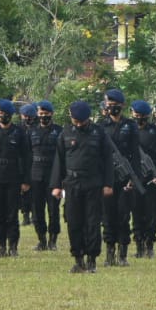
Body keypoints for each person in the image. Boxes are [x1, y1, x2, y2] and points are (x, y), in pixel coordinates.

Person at [51, 100, 113, 273]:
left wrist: (108, 184)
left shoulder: (99, 133)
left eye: (81, 121)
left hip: (93, 183)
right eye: (75, 120)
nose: (78, 124)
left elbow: (108, 160)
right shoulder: (65, 133)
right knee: (73, 222)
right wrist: (56, 185)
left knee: (92, 222)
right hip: (72, 184)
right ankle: (78, 259)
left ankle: (92, 259)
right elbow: (59, 160)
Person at [0, 99, 31, 257]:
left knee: (12, 215)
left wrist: (25, 180)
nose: (1, 115)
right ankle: (0, 246)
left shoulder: (19, 133)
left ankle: (13, 246)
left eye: (3, 113)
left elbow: (26, 157)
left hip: (13, 177)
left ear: (10, 115)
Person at [99, 89, 139, 267]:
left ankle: (123, 253)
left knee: (123, 216)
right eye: (109, 104)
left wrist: (133, 178)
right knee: (108, 217)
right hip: (107, 179)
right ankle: (109, 253)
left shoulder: (130, 126)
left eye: (115, 104)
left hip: (125, 179)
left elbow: (136, 155)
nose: (111, 107)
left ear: (122, 105)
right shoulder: (101, 126)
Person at [131, 100, 156, 259]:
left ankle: (149, 244)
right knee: (136, 213)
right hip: (133, 177)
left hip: (152, 178)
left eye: (143, 117)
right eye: (137, 116)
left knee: (151, 213)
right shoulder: (128, 129)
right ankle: (138, 244)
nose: (139, 119)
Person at [27, 100, 62, 251]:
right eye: (40, 114)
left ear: (51, 114)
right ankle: (41, 239)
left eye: (46, 114)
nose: (43, 117)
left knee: (53, 209)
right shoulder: (32, 131)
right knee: (37, 210)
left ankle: (53, 240)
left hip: (52, 175)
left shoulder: (59, 131)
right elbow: (27, 155)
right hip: (35, 175)